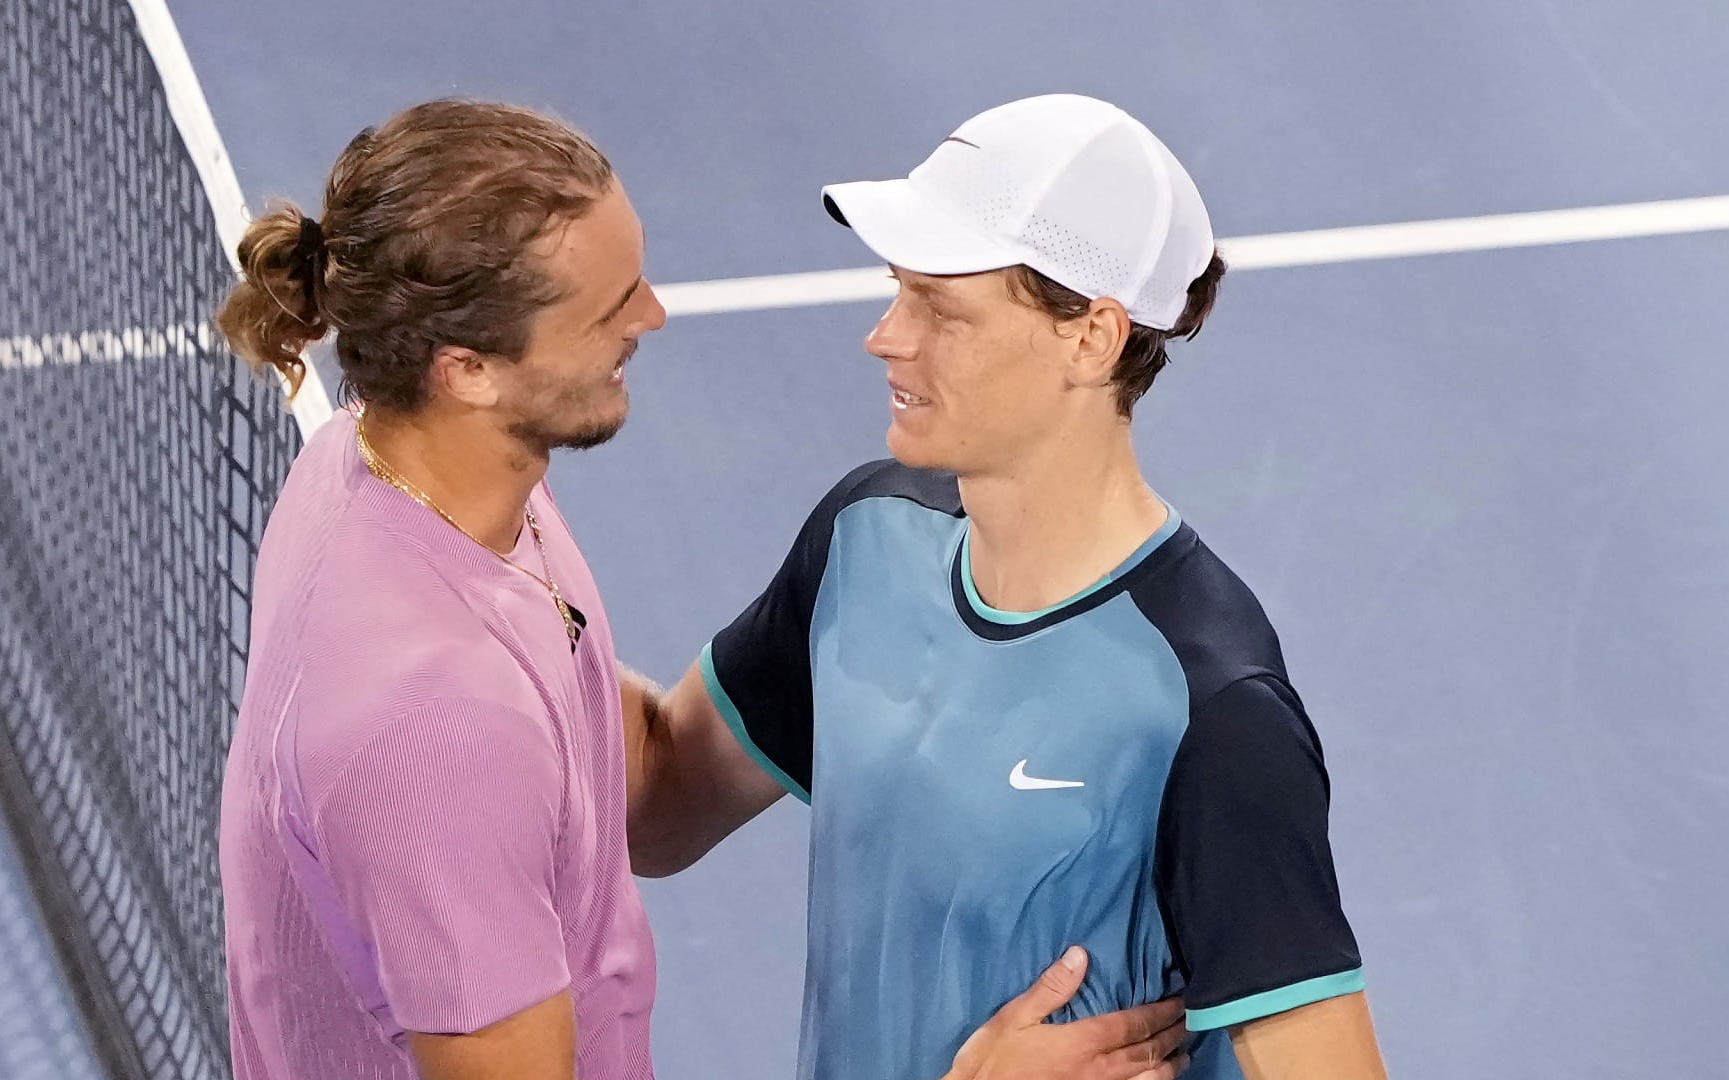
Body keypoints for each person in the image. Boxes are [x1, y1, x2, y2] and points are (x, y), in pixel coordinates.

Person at [215, 98, 1189, 1080]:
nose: (654, 316)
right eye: (608, 309)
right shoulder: (437, 722)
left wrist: (827, 645)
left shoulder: (410, 470)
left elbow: (626, 780)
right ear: (468, 369)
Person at [627, 94, 1388, 1080]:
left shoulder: (1206, 708)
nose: (886, 337)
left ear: (1091, 337)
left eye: (939, 308)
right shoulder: (865, 541)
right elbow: (655, 808)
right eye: (899, 290)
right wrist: (494, 565)